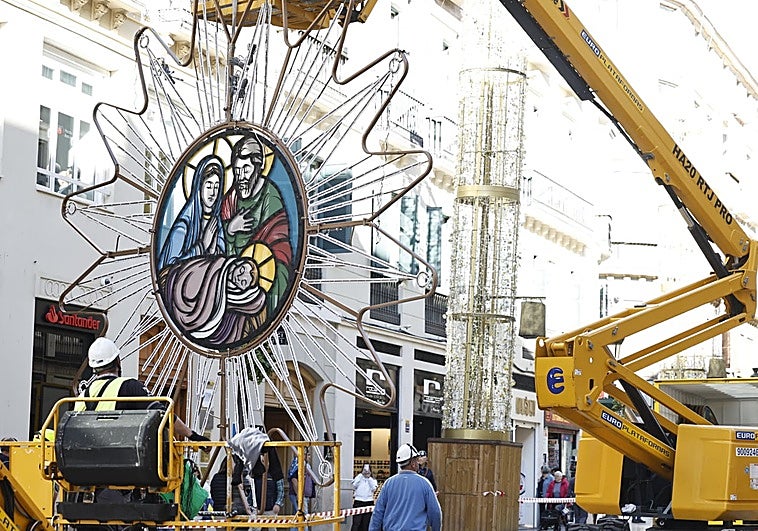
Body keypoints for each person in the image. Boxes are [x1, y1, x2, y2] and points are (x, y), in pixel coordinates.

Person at [221, 134, 292, 315]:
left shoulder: (270, 196)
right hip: (229, 276)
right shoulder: (231, 198)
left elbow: (280, 247)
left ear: (258, 167)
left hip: (257, 276)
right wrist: (230, 229)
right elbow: (217, 243)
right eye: (237, 171)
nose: (241, 177)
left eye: (246, 169)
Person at [157, 154, 226, 270]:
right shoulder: (184, 224)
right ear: (199, 187)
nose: (213, 193)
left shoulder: (216, 223)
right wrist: (202, 246)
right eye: (208, 187)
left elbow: (222, 262)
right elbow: (171, 267)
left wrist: (213, 251)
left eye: (216, 187)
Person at [368, 443, 442, 531]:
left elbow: (378, 513)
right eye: (416, 460)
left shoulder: (389, 483)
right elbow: (435, 513)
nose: (418, 463)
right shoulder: (424, 483)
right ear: (413, 463)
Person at [250, 446, 285, 518]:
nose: (264, 464)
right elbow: (252, 491)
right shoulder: (256, 475)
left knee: (272, 528)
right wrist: (251, 506)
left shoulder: (275, 474)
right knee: (254, 529)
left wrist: (278, 504)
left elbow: (281, 490)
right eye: (262, 461)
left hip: (271, 509)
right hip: (257, 509)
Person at [288, 447, 316, 520]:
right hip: (299, 496)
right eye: (308, 455)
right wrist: (299, 495)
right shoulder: (297, 465)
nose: (309, 457)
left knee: (296, 517)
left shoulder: (306, 465)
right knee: (304, 516)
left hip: (304, 495)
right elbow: (294, 480)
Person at [351, 463, 378, 531]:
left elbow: (373, 489)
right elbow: (354, 486)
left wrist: (369, 478)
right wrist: (361, 475)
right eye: (365, 469)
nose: (366, 471)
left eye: (368, 470)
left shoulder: (373, 480)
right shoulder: (358, 478)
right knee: (356, 523)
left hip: (369, 502)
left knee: (366, 523)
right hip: (358, 501)